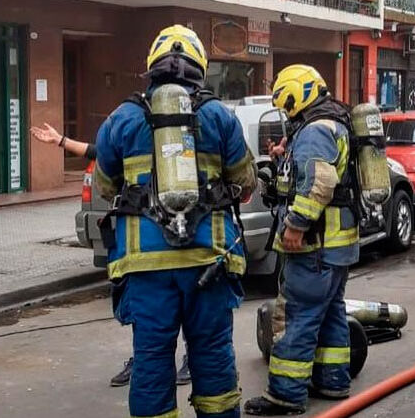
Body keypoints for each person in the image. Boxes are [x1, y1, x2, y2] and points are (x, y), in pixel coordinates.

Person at [94, 24, 257, 418]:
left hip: (145, 265)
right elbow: (245, 183)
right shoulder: (219, 115)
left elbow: (104, 186)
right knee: (213, 354)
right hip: (208, 260)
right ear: (200, 67)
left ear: (151, 68)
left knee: (151, 359)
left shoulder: (121, 118)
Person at [30, 122, 193, 388]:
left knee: (181, 300)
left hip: (176, 235)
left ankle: (188, 359)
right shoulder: (133, 133)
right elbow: (98, 152)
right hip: (145, 239)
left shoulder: (181, 139)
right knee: (148, 308)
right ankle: (146, 360)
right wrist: (61, 141)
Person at [245, 64, 359, 416]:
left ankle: (286, 394)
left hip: (315, 244)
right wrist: (283, 161)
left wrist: (295, 225)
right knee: (331, 313)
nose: (286, 111)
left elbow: (319, 184)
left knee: (297, 316)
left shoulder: (313, 131)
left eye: (286, 103)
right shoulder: (332, 122)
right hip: (337, 245)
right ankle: (333, 380)